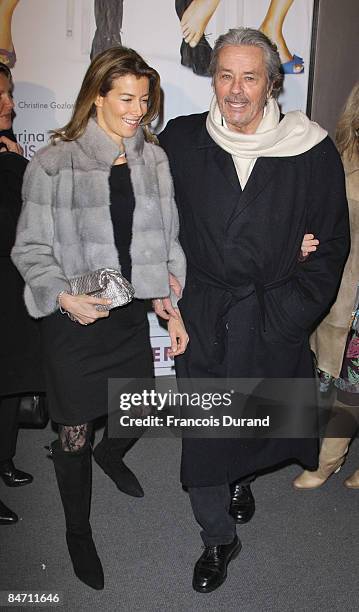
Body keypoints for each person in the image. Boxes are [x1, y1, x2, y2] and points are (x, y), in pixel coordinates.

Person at [158, 27, 349, 593]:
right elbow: (153, 221)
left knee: (258, 420)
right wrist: (163, 285)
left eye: (249, 76)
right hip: (203, 313)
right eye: (224, 75)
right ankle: (217, 538)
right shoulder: (183, 140)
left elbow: (332, 244)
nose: (235, 90)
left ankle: (240, 475)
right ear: (212, 80)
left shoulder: (310, 149)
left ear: (272, 84)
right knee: (207, 432)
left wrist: (290, 313)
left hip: (272, 313)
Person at [12, 47, 188, 589]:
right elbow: (31, 251)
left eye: (145, 99)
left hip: (130, 316)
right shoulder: (53, 163)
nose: (138, 111)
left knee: (136, 406)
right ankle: (77, 531)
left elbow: (164, 242)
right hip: (75, 322)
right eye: (127, 99)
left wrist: (168, 302)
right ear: (96, 96)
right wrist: (63, 297)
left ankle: (113, 456)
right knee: (74, 434)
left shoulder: (153, 159)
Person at [293, 82, 359, 490]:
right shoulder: (340, 155)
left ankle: (327, 462)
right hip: (339, 295)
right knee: (331, 382)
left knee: (352, 389)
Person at [0, 61, 44, 525]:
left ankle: (5, 458)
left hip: (13, 285)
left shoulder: (10, 150)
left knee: (9, 383)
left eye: (9, 93)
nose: (10, 103)